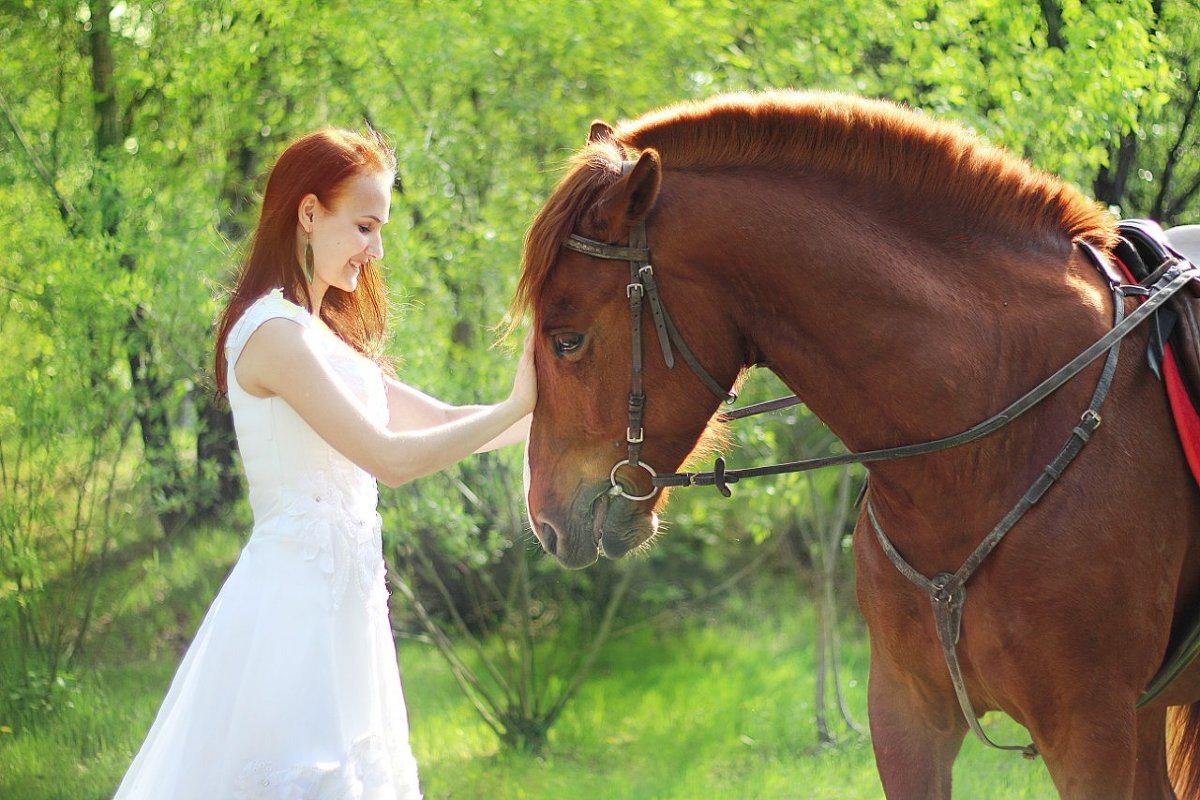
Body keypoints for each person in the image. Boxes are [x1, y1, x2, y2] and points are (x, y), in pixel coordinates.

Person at [112, 127, 535, 799]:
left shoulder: (326, 339)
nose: (377, 249)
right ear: (309, 214)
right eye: (365, 225)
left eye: (381, 228)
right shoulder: (271, 333)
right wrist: (517, 403)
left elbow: (451, 422)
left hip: (350, 607)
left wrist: (562, 420)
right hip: (292, 613)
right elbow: (391, 460)